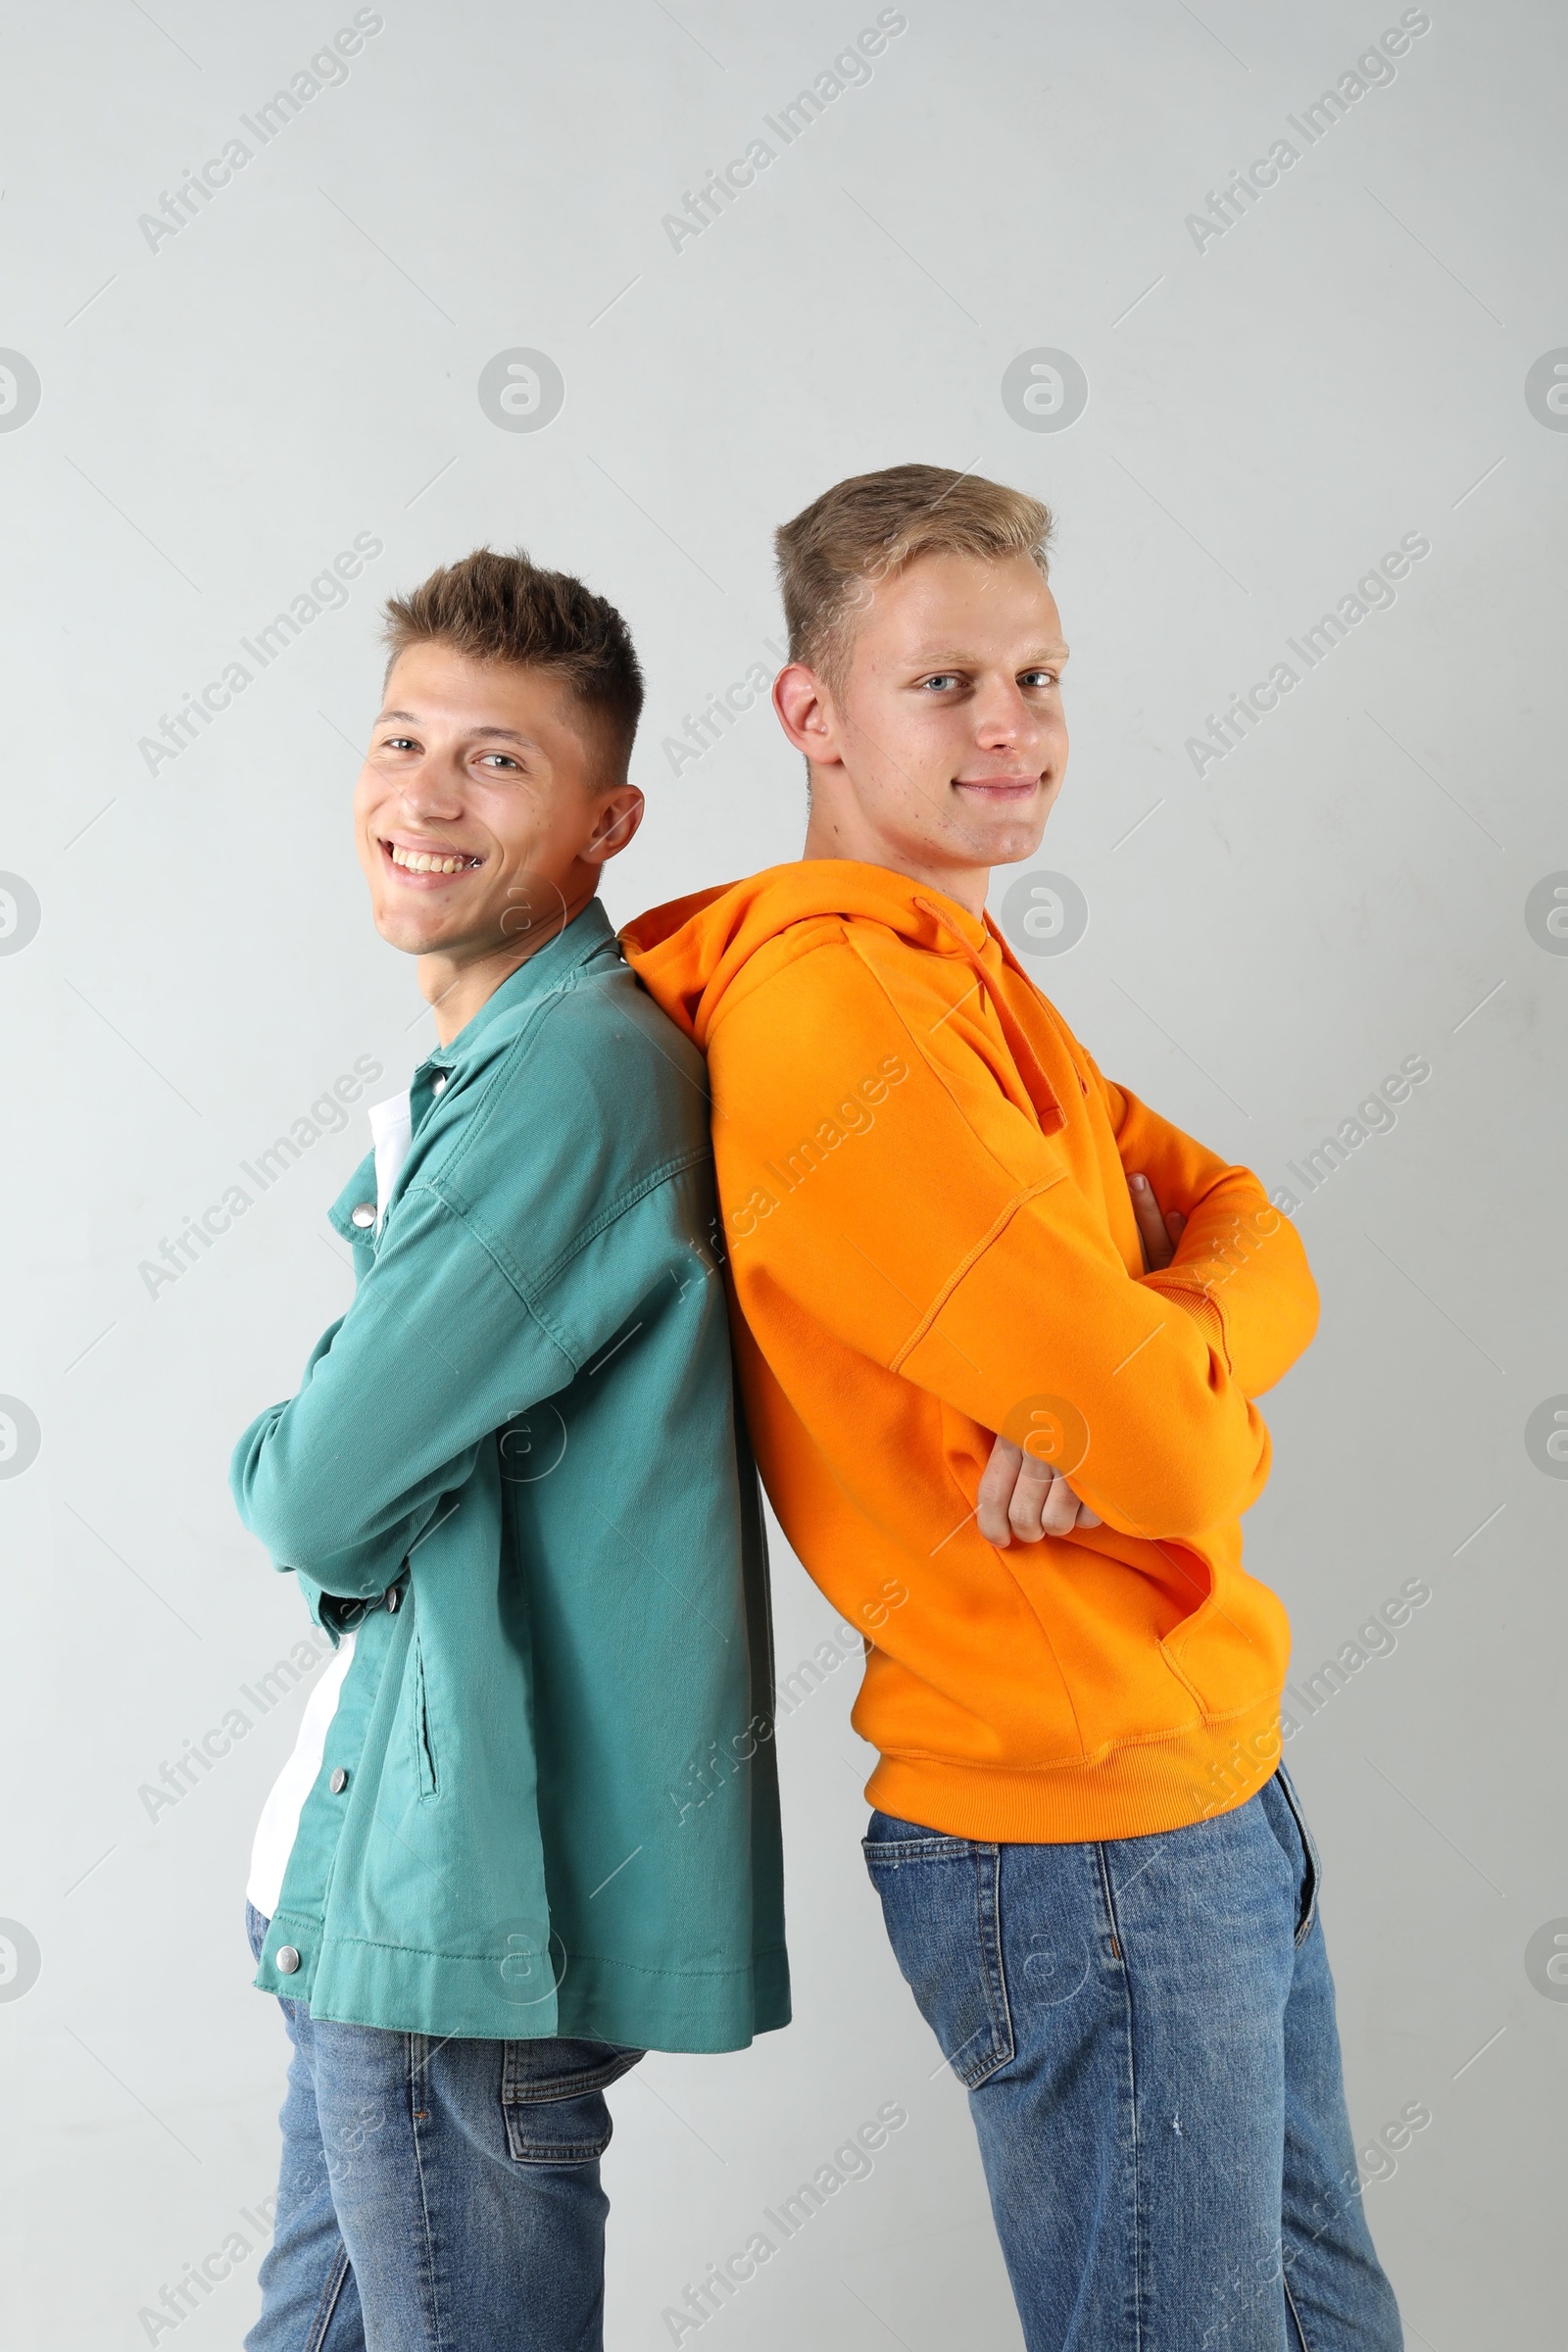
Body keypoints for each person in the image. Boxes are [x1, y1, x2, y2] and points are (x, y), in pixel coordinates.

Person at [620, 466, 1402, 2351]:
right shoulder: (836, 1021)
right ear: (810, 712)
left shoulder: (966, 973)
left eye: (1039, 679)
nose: (1008, 729)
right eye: (943, 683)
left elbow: (1258, 1228)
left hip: (1205, 1784)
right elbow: (1181, 1443)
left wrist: (1163, 1338)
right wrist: (1154, 1395)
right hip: (1084, 1842)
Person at [230, 548, 787, 2352]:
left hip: (457, 1925)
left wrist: (280, 1448)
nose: (424, 797)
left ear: (606, 820)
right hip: (393, 1915)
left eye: (497, 761)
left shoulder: (571, 1082)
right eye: (403, 740)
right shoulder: (503, 1072)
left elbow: (318, 1486)